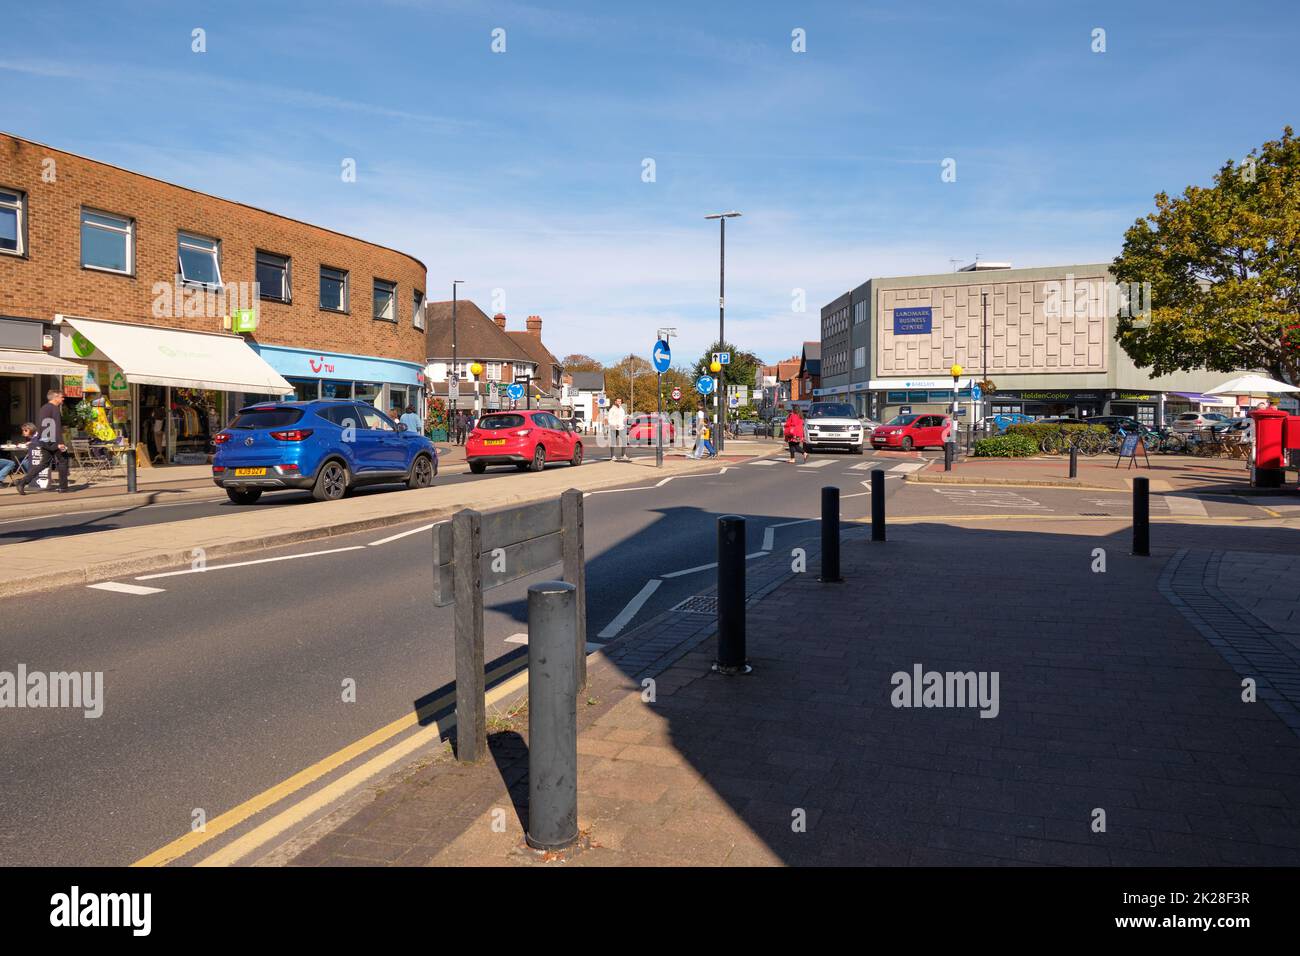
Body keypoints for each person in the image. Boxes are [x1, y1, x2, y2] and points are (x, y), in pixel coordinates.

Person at [18, 390, 70, 494]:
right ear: (55, 397)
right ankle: (63, 487)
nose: (63, 398)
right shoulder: (54, 409)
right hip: (54, 440)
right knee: (63, 461)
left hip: (45, 440)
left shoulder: (43, 408)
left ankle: (22, 482)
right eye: (61, 397)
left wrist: (41, 439)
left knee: (44, 463)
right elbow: (56, 426)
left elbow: (41, 426)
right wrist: (60, 442)